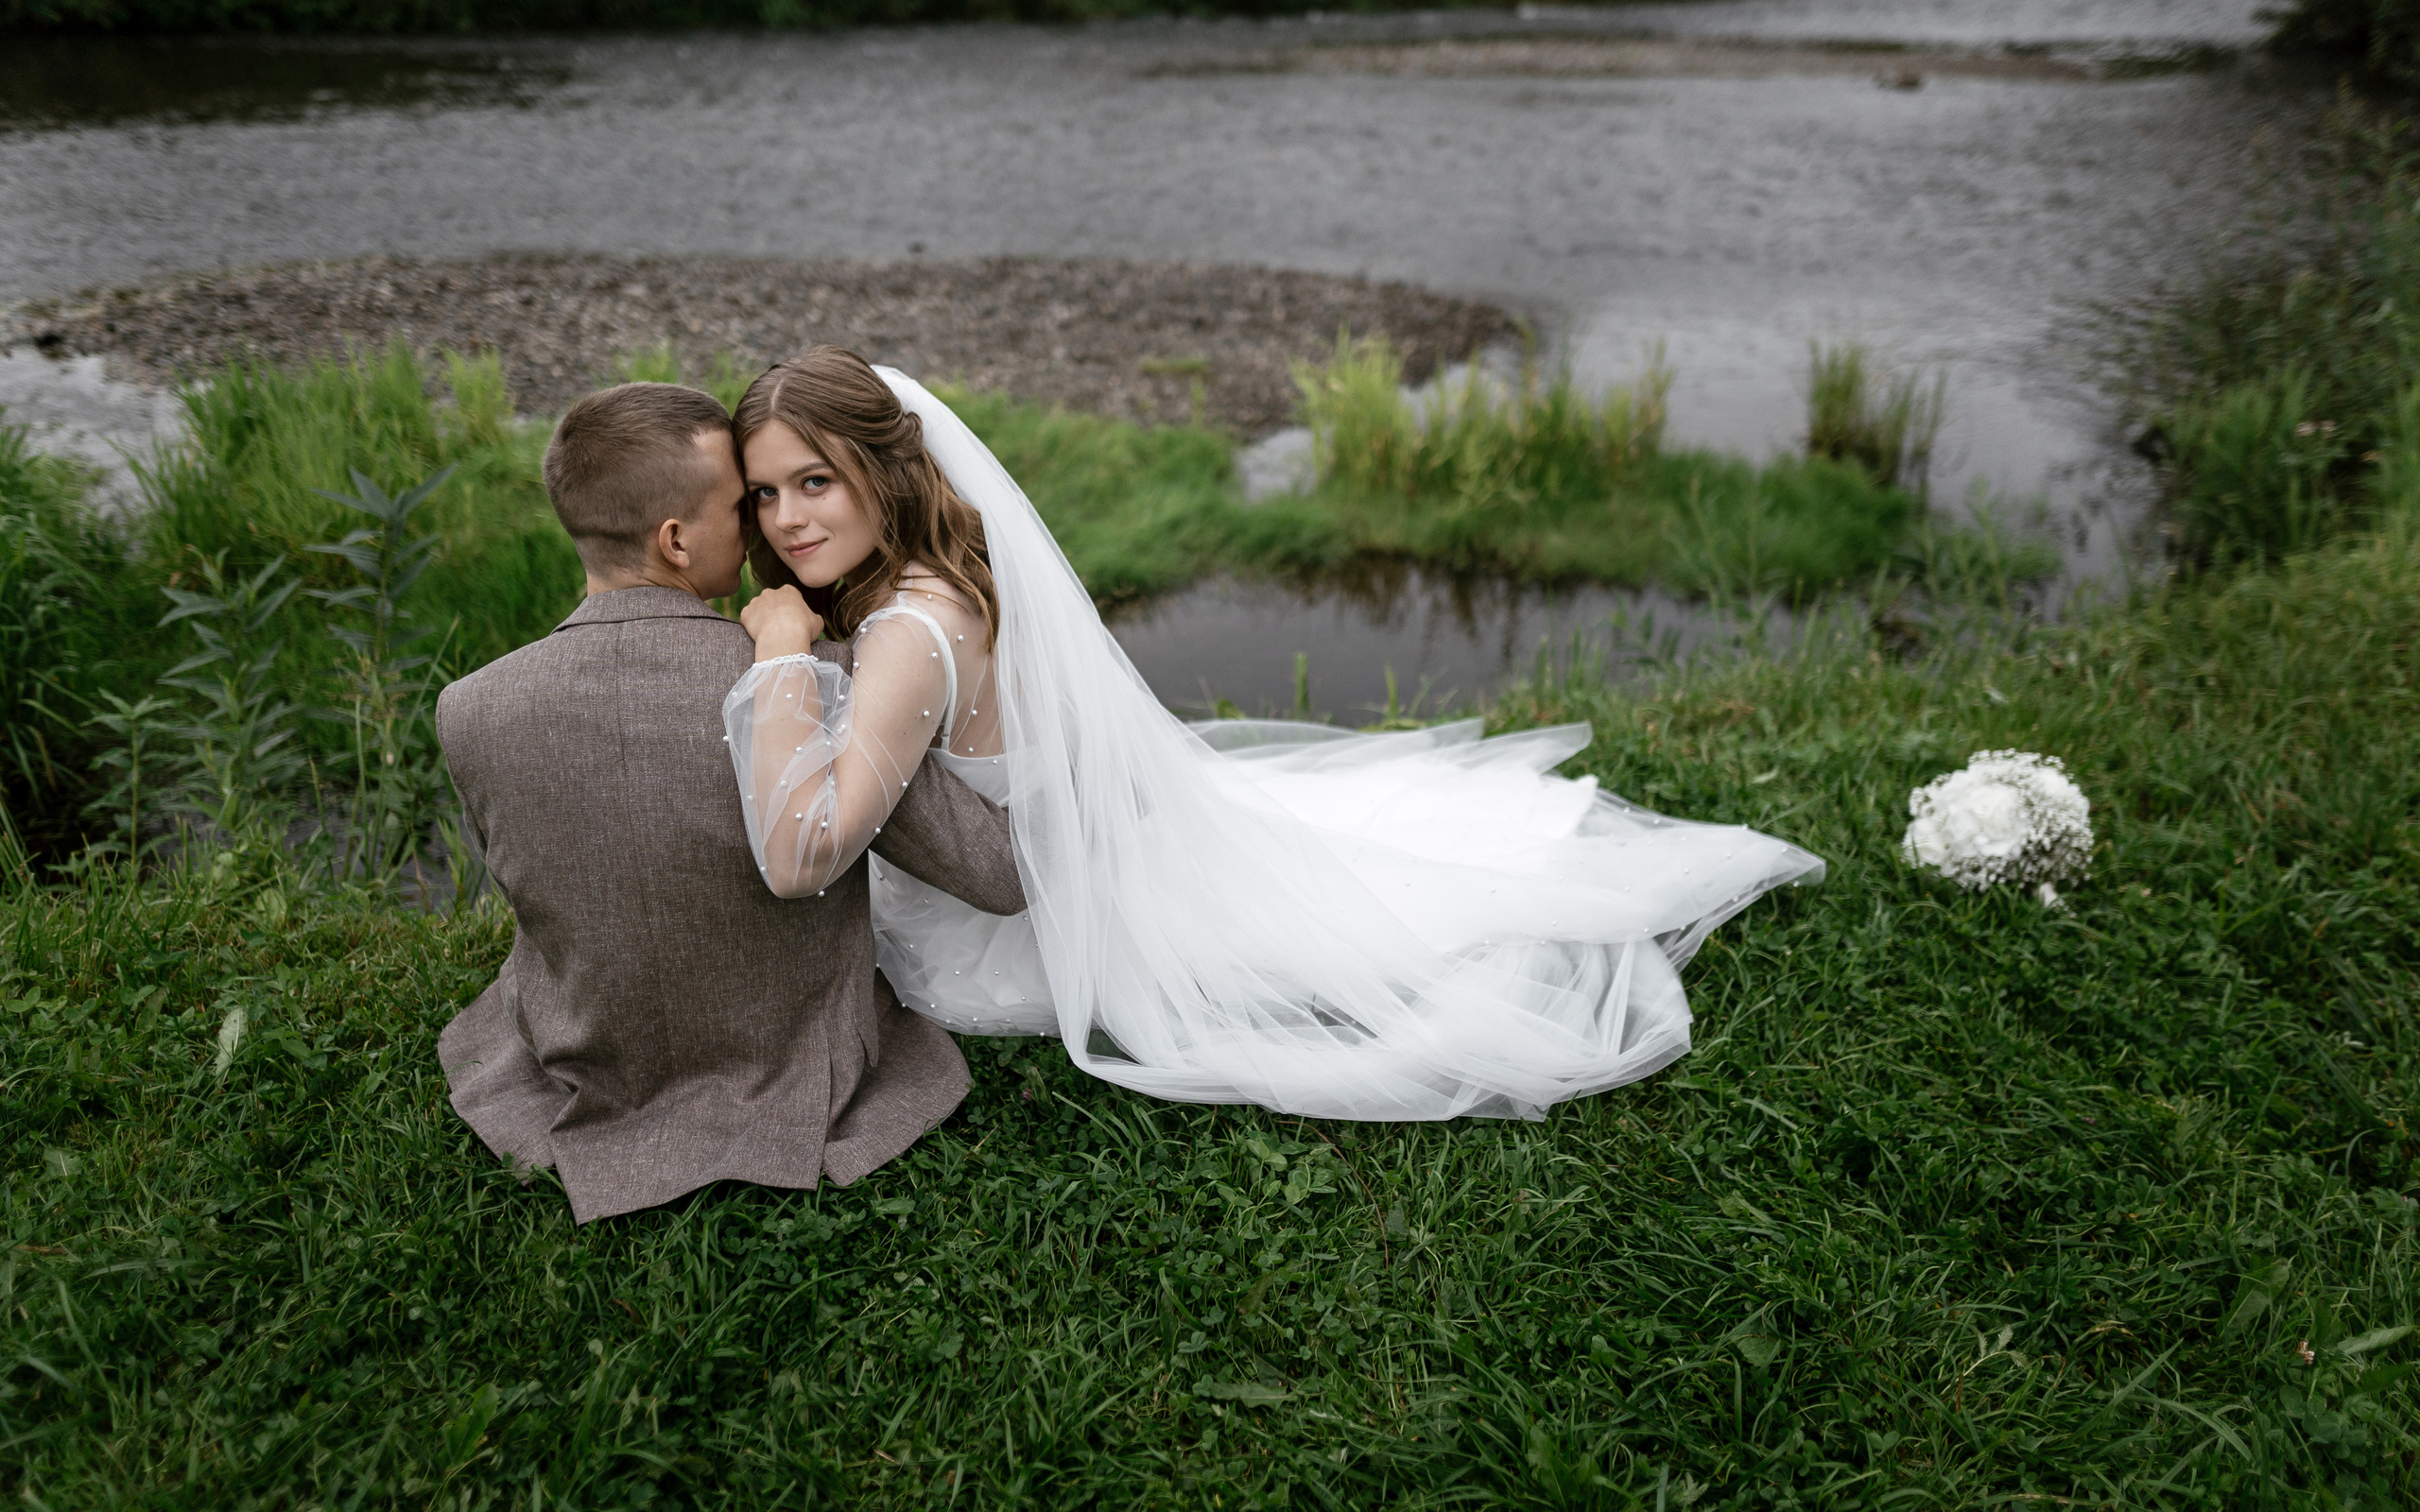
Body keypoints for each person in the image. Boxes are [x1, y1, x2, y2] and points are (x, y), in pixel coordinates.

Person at [721, 348, 1824, 1123]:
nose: (788, 520)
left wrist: (778, 655)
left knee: (1390, 944)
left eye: (816, 482)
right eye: (764, 495)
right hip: (1092, 855)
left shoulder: (907, 632)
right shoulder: (938, 572)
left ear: (886, 469)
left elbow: (809, 851)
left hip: (1013, 934)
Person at [435, 381, 1027, 1224]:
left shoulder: (469, 707)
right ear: (676, 540)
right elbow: (989, 866)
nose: (765, 529)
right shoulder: (809, 682)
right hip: (799, 1063)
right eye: (743, 505)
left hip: (589, 1052)